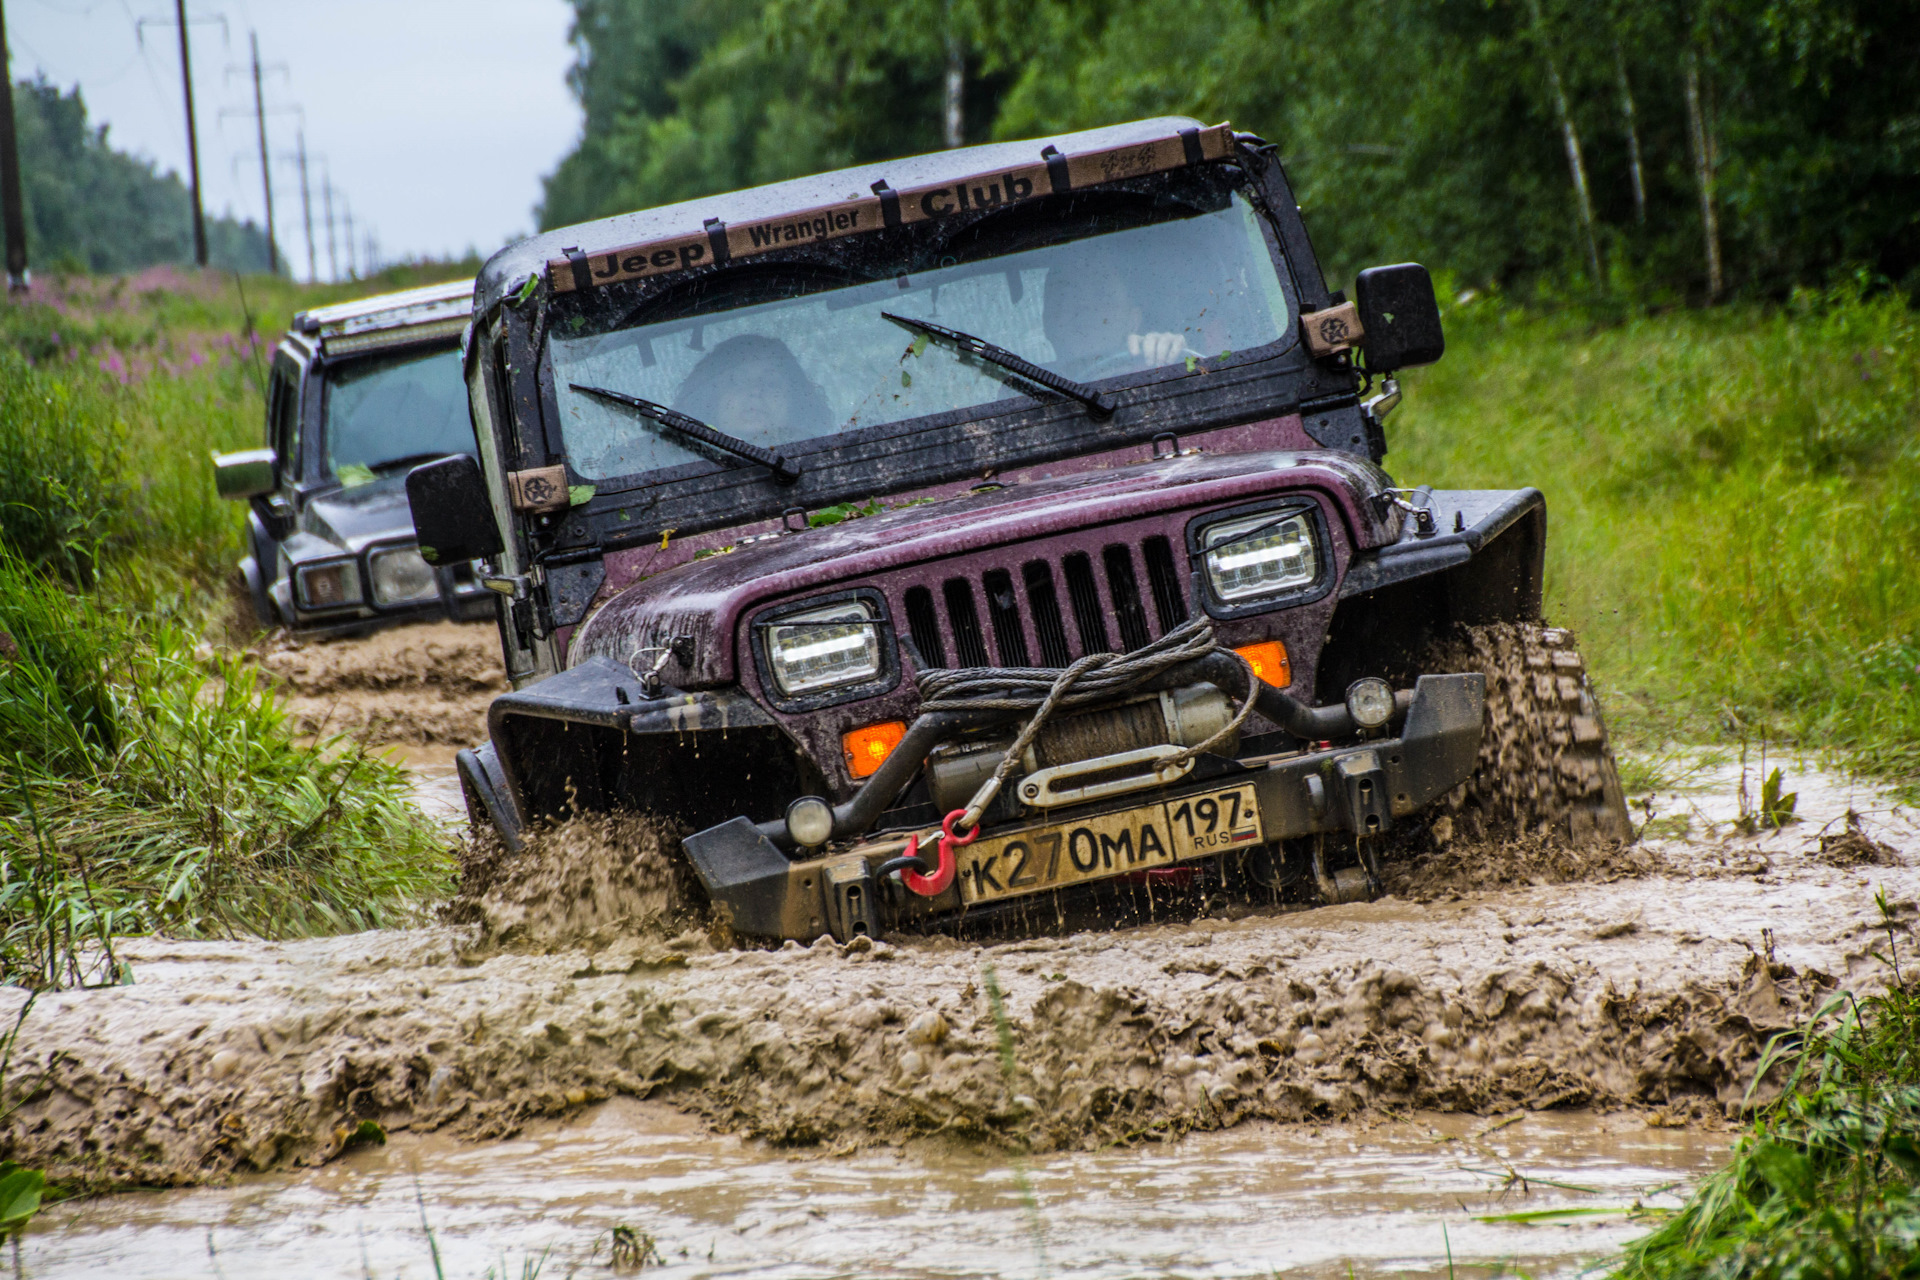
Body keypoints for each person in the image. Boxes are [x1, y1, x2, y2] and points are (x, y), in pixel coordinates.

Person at [1041, 239, 1196, 380]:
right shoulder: (1025, 390)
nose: (1085, 307)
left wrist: (1175, 359)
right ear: (1047, 322)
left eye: (1102, 294)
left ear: (1133, 319)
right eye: (1068, 295)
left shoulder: (1158, 372)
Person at [673, 333, 833, 444]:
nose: (755, 391)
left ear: (795, 399)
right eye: (737, 381)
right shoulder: (671, 461)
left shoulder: (825, 458)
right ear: (711, 397)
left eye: (771, 383)